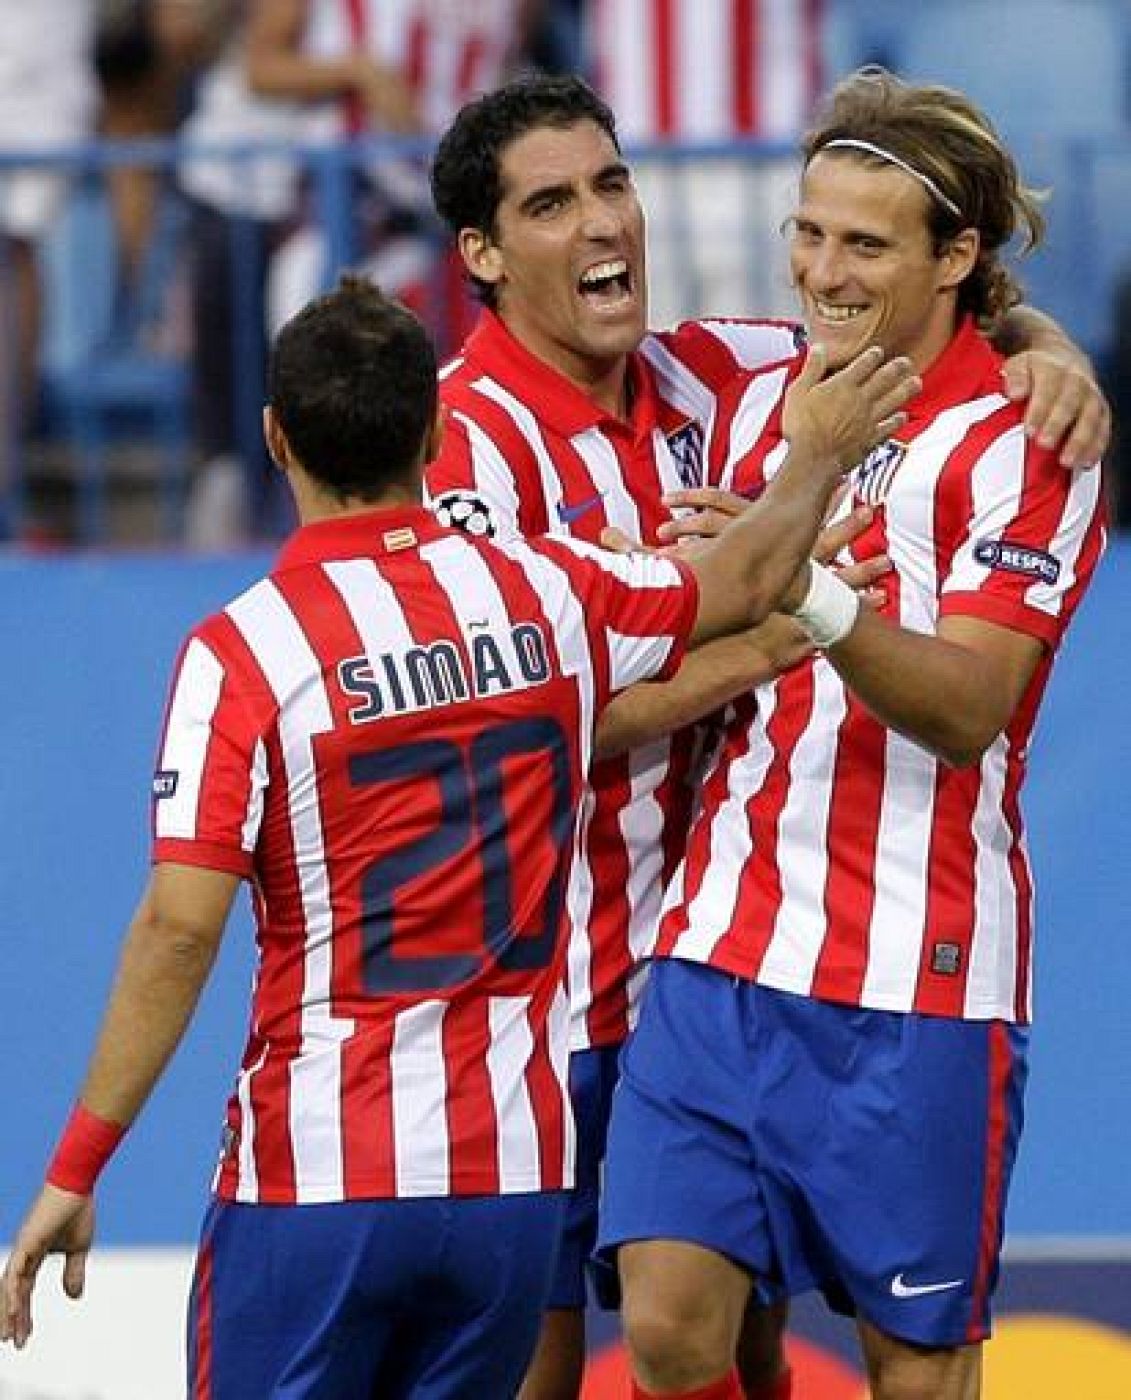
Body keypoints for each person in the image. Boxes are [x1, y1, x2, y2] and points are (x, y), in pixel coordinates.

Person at [0, 272, 916, 1395]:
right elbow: (741, 577)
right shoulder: (547, 589)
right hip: (507, 1177)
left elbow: (178, 931)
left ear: (276, 440)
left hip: (318, 1175)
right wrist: (815, 456)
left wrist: (76, 1165)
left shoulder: (242, 654)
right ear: (437, 432)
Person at [424, 72, 1110, 1400]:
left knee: (899, 1370)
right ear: (482, 253)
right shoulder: (505, 438)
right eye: (806, 234)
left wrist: (1040, 344)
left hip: (911, 969)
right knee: (650, 1339)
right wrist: (785, 599)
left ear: (949, 254)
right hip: (610, 972)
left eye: (610, 184)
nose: (818, 270)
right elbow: (531, 726)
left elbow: (968, 710)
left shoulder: (745, 385)